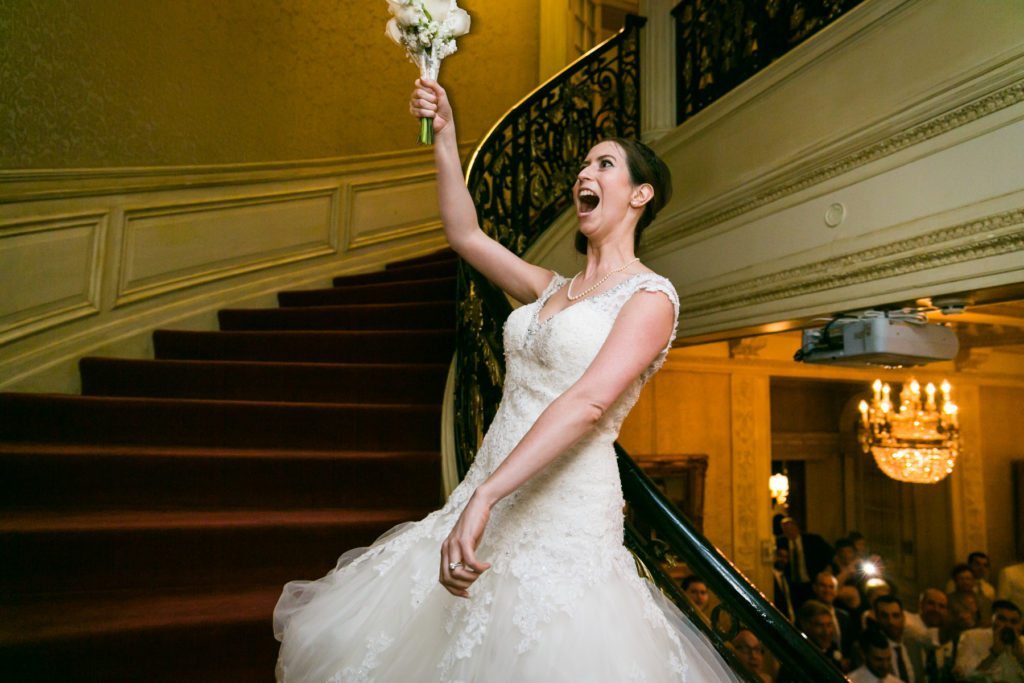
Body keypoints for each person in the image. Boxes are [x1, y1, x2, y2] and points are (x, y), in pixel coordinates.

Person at [271, 79, 741, 681]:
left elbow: (590, 403)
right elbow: (465, 236)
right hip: (485, 485)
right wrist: (445, 135)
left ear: (640, 194)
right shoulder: (550, 287)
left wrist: (488, 496)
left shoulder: (651, 298)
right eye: (582, 166)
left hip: (561, 510)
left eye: (604, 163)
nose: (584, 174)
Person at [953, 599, 1024, 682]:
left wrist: (1021, 657)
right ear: (992, 619)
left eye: (1013, 622)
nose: (1008, 625)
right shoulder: (972, 637)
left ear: (1020, 626)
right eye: (1002, 619)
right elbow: (963, 677)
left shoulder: (1022, 644)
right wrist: (993, 654)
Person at [777, 516, 834, 607]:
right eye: (785, 529)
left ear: (796, 527)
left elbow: (829, 553)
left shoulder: (812, 540)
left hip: (810, 582)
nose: (789, 531)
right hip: (791, 584)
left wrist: (825, 569)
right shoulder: (780, 542)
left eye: (790, 527)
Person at [874, 595, 925, 682]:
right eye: (885, 616)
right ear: (877, 618)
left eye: (896, 616)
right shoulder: (870, 649)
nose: (891, 622)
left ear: (903, 618)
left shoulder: (913, 646)